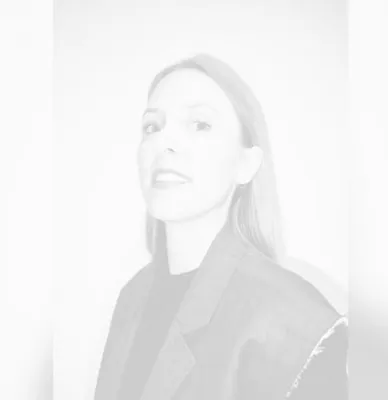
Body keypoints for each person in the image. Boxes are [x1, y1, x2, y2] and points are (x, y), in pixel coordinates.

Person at [94, 53, 348, 400]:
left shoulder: (298, 324)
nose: (165, 142)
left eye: (200, 124)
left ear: (246, 164)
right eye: (152, 127)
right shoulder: (131, 298)